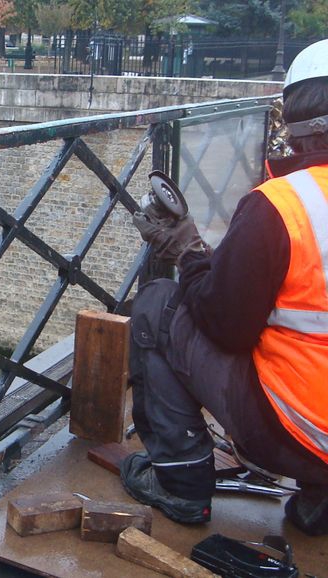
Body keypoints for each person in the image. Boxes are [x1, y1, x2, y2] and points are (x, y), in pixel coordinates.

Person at [123, 38, 328, 536]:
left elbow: (226, 325)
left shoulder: (283, 205)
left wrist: (188, 253)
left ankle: (181, 482)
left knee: (156, 305)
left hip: (298, 432)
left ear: (293, 121)